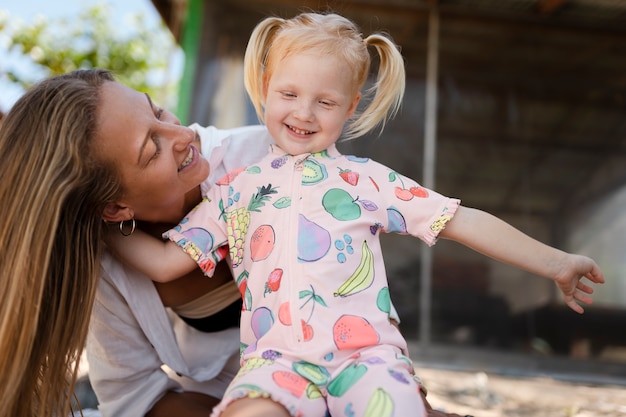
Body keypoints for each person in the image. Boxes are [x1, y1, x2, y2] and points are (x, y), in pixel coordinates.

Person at [106, 12, 604, 417]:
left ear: (349, 108)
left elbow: (462, 220)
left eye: (325, 102)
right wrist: (87, 223)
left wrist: (555, 263)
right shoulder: (236, 189)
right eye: (289, 94)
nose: (304, 113)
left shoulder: (366, 181)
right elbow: (166, 262)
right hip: (275, 361)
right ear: (264, 87)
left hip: (366, 356)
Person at [0, 69, 464, 417]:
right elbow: (137, 398)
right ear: (115, 209)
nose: (184, 135)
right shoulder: (107, 269)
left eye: (158, 111)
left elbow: (354, 301)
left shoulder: (270, 157)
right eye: (152, 148)